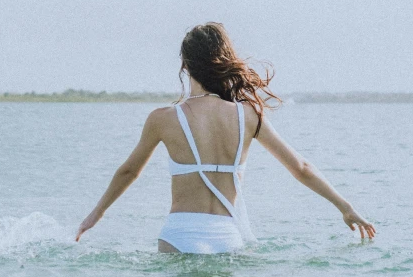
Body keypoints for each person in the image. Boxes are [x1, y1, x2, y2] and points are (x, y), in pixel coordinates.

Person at [75, 23, 376, 253]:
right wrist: (346, 207)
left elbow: (129, 170)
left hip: (178, 234)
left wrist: (96, 213)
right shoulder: (249, 115)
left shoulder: (163, 119)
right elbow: (301, 168)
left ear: (185, 65)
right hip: (227, 238)